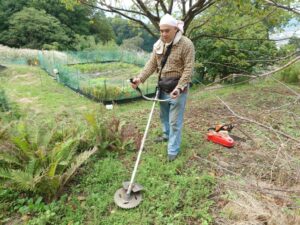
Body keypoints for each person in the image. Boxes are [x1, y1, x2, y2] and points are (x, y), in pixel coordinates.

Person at [131, 14, 195, 161]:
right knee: (163, 116)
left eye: (167, 31)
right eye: (161, 31)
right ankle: (166, 136)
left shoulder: (186, 44)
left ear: (175, 29)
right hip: (162, 87)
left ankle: (173, 150)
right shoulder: (159, 44)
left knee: (174, 121)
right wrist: (139, 79)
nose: (164, 34)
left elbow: (188, 69)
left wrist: (179, 88)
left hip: (178, 89)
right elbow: (151, 64)